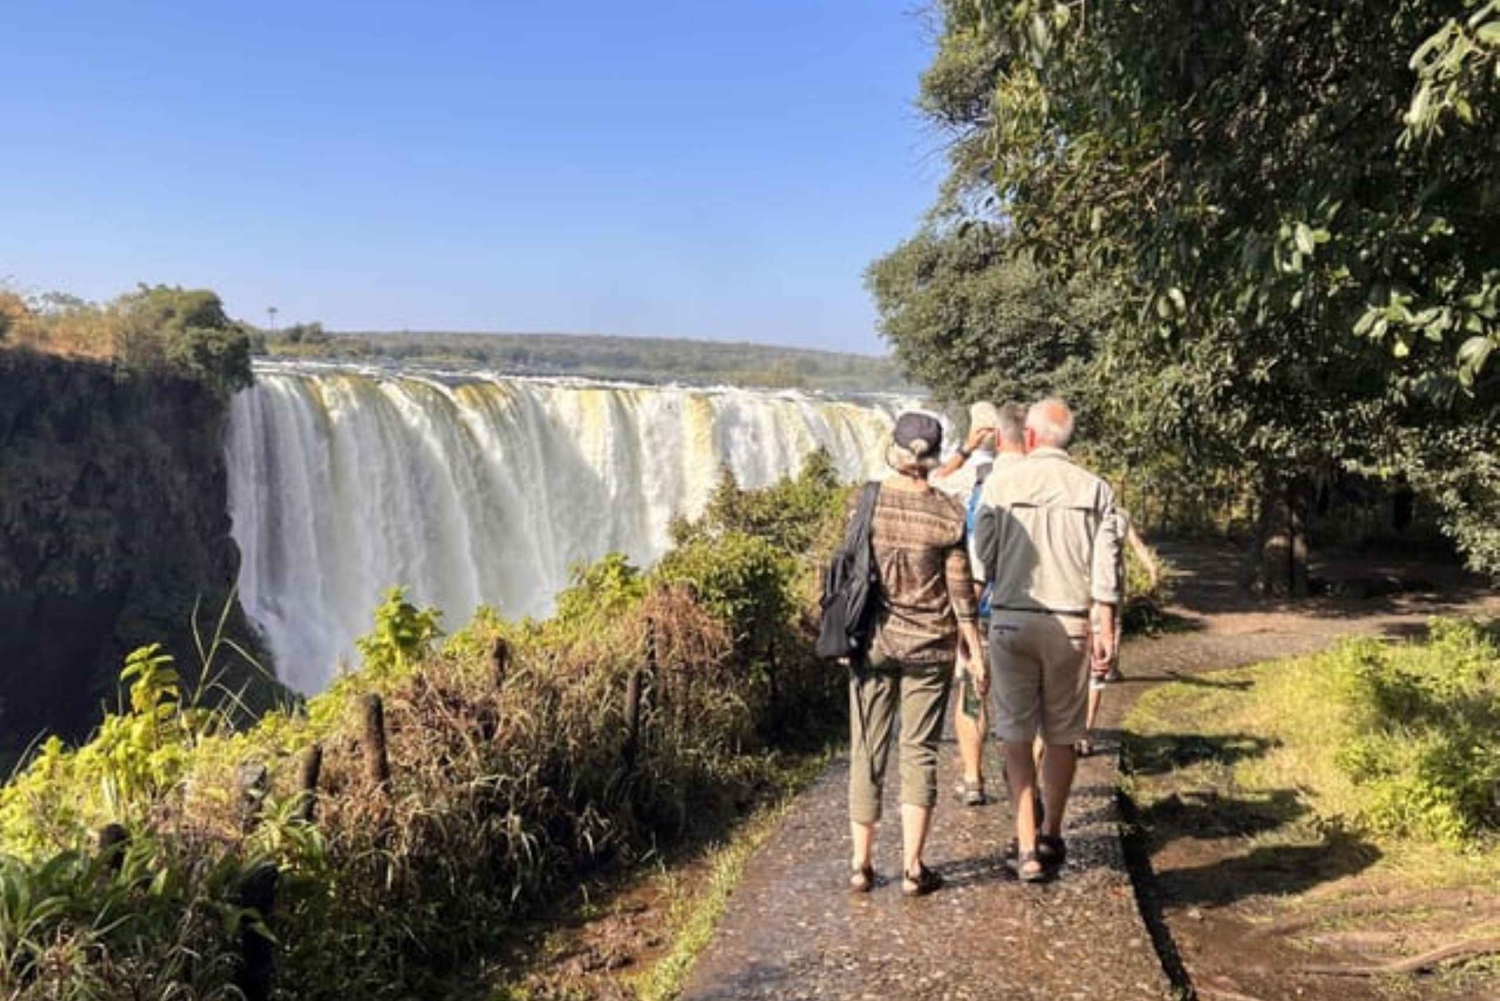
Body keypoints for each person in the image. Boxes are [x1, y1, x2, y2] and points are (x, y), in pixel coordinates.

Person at [973, 398, 1121, 883]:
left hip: (1011, 620)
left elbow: (982, 560)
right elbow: (1107, 567)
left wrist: (968, 625)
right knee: (1062, 734)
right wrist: (1106, 625)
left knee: (1014, 736)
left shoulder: (1001, 484)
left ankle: (1025, 848)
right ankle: (1054, 832)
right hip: (1072, 624)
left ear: (1030, 438)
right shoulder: (1096, 489)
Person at [847, 409, 985, 897]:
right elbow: (960, 588)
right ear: (933, 458)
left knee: (867, 750)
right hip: (931, 646)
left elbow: (851, 572)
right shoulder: (947, 512)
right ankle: (911, 868)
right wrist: (973, 644)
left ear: (896, 450)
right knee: (919, 752)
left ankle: (862, 866)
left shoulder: (868, 504)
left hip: (874, 644)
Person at [952, 402, 1027, 806]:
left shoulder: (982, 486)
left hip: (982, 611)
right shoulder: (1044, 481)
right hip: (1032, 610)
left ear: (998, 438)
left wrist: (965, 622)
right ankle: (1027, 787)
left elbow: (976, 558)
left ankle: (972, 777)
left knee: (972, 689)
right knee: (1026, 700)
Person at [1077, 506, 1159, 756]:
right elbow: (1136, 544)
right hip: (1109, 588)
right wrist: (1152, 569)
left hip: (1079, 590)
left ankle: (1074, 730)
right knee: (1109, 634)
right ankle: (1085, 732)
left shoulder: (1082, 511)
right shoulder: (1120, 515)